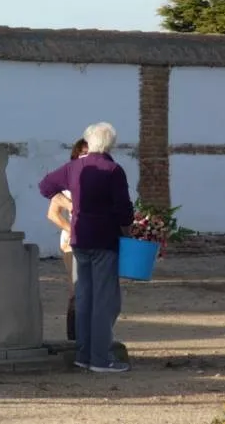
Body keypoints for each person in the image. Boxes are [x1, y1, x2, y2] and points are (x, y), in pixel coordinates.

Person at [38, 122, 134, 373]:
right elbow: (124, 210)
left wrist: (69, 203)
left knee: (83, 298)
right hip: (105, 240)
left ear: (88, 142)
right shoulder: (113, 170)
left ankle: (83, 354)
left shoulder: (73, 167)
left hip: (78, 239)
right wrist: (128, 231)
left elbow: (45, 186)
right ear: (110, 144)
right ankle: (101, 359)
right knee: (104, 301)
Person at [46, 138, 88, 341]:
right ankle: (74, 337)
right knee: (76, 289)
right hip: (72, 243)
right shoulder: (67, 185)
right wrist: (70, 228)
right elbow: (53, 213)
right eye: (83, 153)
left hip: (94, 239)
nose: (86, 157)